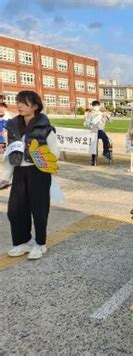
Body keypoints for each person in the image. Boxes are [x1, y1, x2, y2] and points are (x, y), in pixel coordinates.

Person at [0, 91, 59, 260]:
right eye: (18, 102)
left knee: (39, 209)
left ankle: (40, 244)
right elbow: (12, 153)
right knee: (15, 210)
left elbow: (54, 152)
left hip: (39, 173)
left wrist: (39, 157)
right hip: (19, 171)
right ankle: (23, 241)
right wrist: (6, 176)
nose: (19, 106)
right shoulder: (13, 126)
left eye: (24, 103)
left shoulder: (45, 127)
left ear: (34, 106)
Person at [84, 100, 112, 165]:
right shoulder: (90, 114)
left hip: (100, 130)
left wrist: (108, 116)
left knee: (106, 139)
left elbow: (110, 121)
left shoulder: (102, 114)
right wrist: (90, 127)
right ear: (92, 106)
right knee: (94, 145)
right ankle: (93, 159)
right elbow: (87, 124)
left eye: (97, 106)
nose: (96, 107)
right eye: (94, 106)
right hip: (93, 131)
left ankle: (106, 152)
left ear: (99, 106)